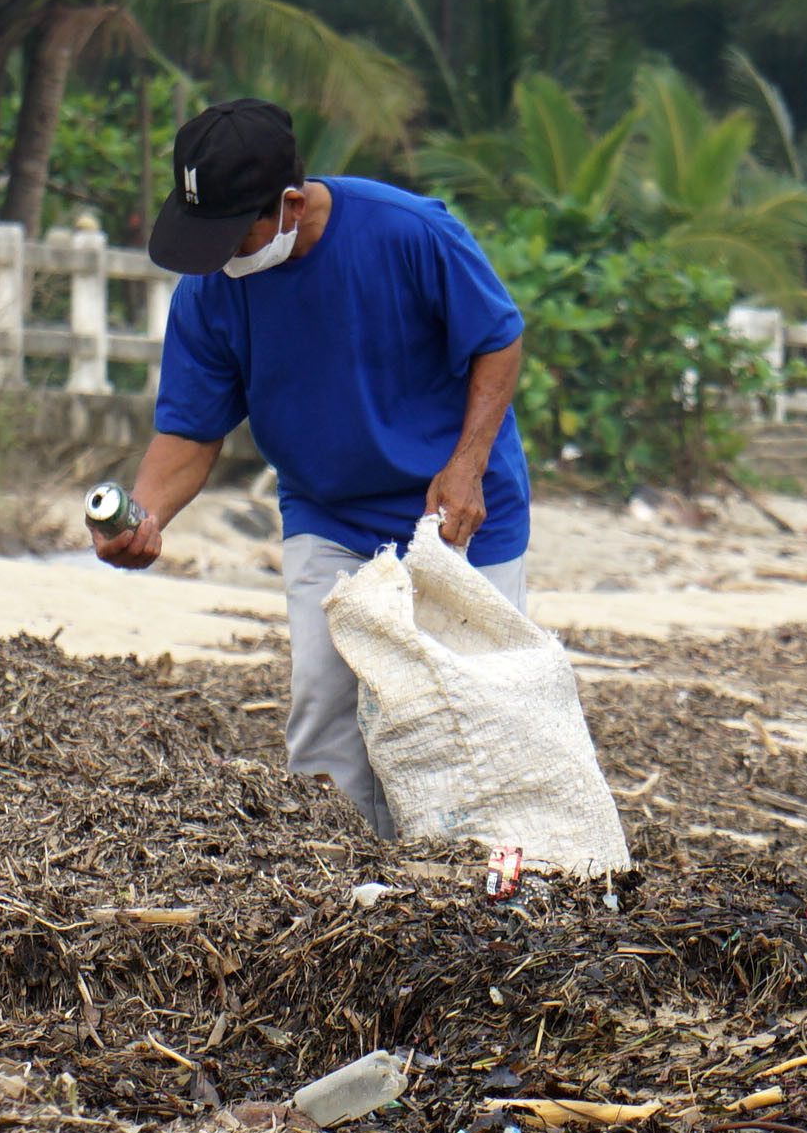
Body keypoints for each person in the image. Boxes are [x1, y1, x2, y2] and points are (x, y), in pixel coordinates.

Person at [93, 97, 530, 838]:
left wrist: (467, 466)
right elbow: (190, 431)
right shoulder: (209, 291)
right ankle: (340, 895)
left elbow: (498, 337)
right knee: (325, 716)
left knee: (474, 715)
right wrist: (147, 516)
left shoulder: (409, 232)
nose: (223, 256)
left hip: (456, 514)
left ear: (290, 205)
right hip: (327, 515)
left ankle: (481, 893)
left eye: (236, 233)